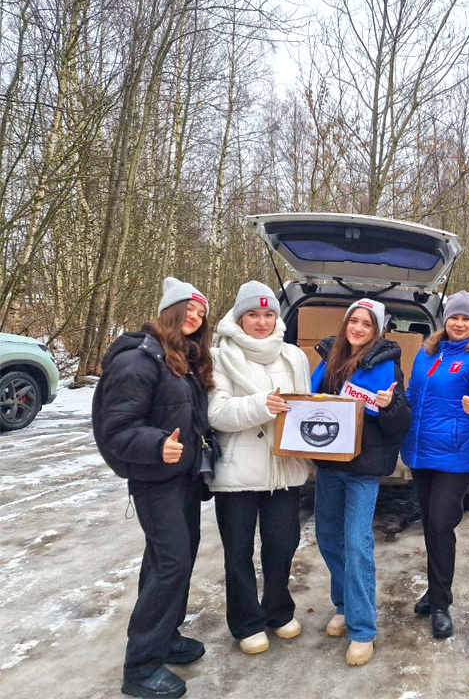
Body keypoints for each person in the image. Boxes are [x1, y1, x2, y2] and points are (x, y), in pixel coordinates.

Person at [92, 277, 213, 699]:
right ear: (169, 312)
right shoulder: (138, 361)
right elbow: (116, 428)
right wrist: (158, 444)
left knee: (173, 558)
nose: (195, 317)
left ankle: (165, 637)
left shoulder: (177, 358)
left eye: (201, 312)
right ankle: (140, 667)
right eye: (188, 309)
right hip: (154, 479)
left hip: (181, 477)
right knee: (171, 563)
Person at [206, 281, 313, 655]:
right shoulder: (219, 357)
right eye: (253, 314)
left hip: (285, 470)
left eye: (269, 314)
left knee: (282, 547)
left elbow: (306, 406)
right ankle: (247, 622)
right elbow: (216, 413)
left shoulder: (293, 356)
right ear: (239, 317)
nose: (262, 321)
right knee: (238, 553)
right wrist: (262, 405)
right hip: (237, 472)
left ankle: (278, 612)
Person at [310, 298, 411, 666]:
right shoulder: (329, 357)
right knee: (329, 537)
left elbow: (400, 423)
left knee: (356, 543)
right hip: (329, 464)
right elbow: (310, 397)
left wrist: (389, 405)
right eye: (354, 321)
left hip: (362, 469)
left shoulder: (387, 366)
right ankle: (344, 604)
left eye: (366, 324)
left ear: (377, 330)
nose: (358, 328)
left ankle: (363, 629)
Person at [401, 291, 469, 639]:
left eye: (466, 318)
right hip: (420, 453)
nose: (459, 323)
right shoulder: (426, 354)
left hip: (456, 456)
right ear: (444, 320)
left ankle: (441, 603)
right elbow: (414, 397)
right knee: (431, 524)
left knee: (442, 525)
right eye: (454, 317)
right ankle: (434, 590)